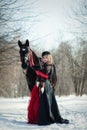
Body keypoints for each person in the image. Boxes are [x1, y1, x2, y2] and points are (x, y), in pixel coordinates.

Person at [27, 51, 69, 125]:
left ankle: (46, 118)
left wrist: (37, 71)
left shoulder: (49, 65)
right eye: (43, 57)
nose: (44, 58)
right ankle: (41, 117)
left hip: (47, 85)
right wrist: (31, 57)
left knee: (45, 102)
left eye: (46, 57)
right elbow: (33, 65)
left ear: (49, 58)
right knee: (42, 102)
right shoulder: (43, 65)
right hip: (43, 85)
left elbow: (46, 76)